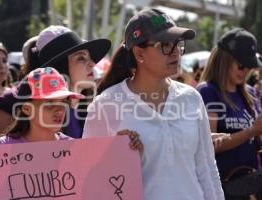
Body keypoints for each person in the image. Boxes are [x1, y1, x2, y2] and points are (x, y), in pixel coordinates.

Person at [83, 7, 224, 200]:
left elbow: (207, 168)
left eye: (178, 44)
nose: (175, 52)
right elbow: (89, 176)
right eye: (165, 45)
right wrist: (116, 156)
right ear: (139, 53)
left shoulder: (192, 98)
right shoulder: (105, 105)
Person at [0, 26, 111, 139]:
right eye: (81, 58)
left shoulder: (95, 107)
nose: (92, 63)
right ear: (58, 66)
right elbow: (4, 156)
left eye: (89, 57)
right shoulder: (11, 102)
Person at [0, 67, 143, 154]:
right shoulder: (2, 148)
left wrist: (127, 151)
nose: (60, 110)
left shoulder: (75, 150)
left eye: (63, 102)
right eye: (49, 102)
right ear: (27, 109)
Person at [197, 28, 262, 197]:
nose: (245, 71)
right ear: (224, 60)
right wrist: (251, 131)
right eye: (241, 65)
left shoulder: (251, 94)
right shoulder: (208, 92)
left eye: (250, 67)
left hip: (250, 184)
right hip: (222, 186)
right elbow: (209, 145)